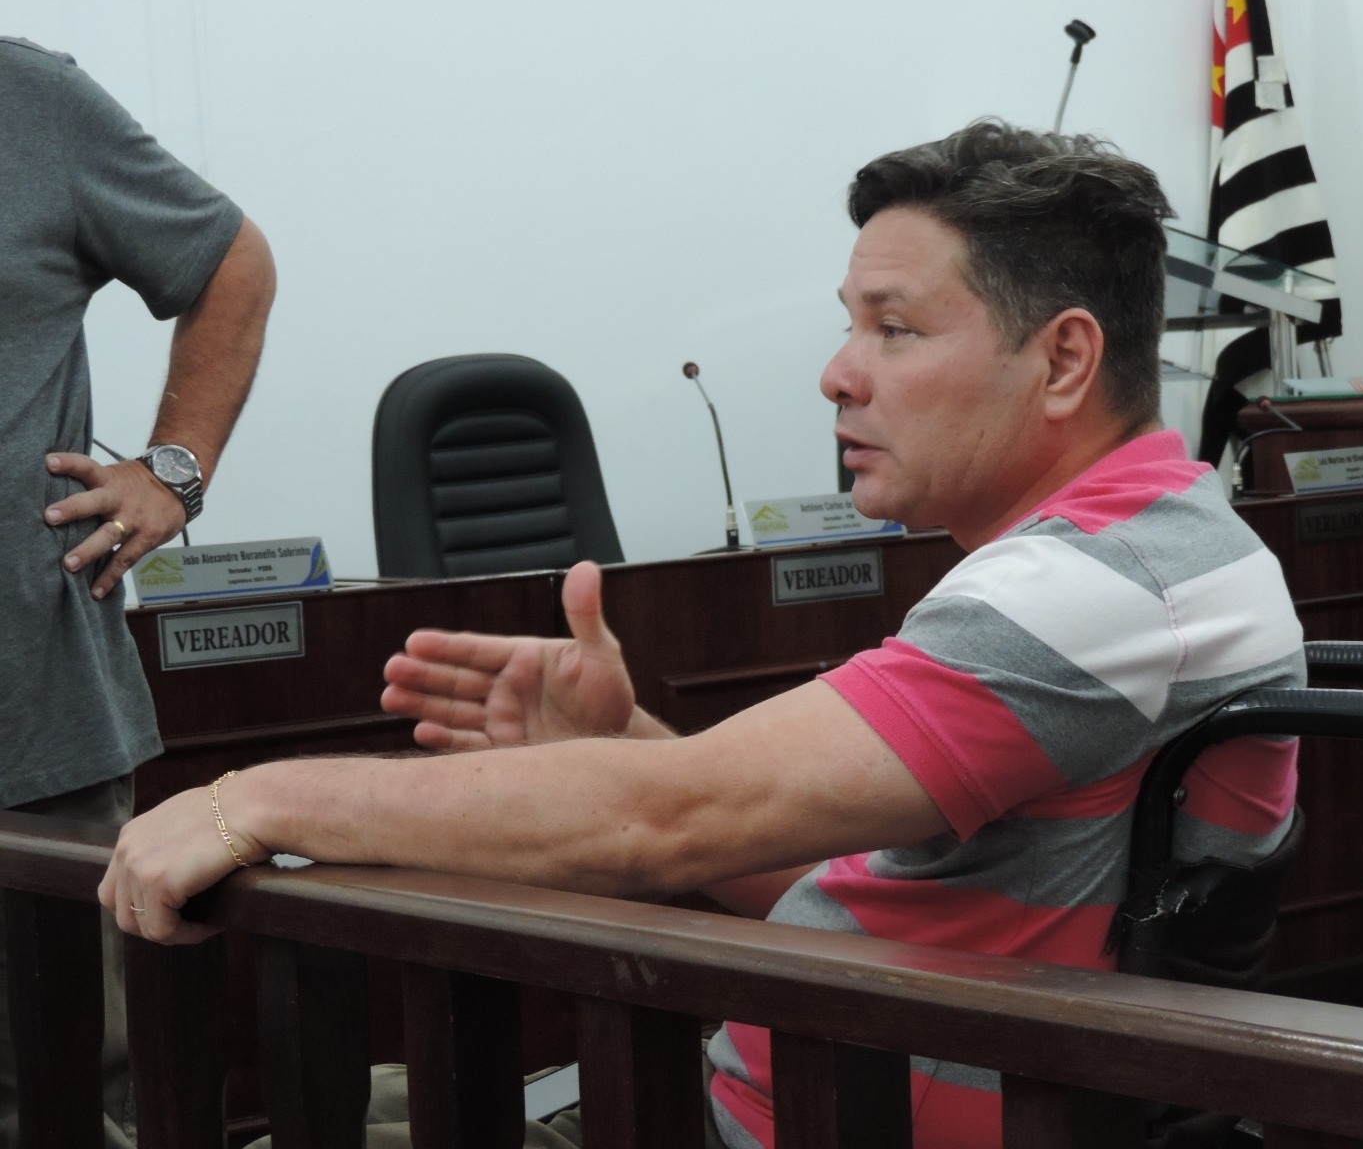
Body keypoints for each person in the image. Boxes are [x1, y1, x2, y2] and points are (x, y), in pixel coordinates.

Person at [101, 121, 1302, 1149]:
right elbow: (860, 892)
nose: (837, 374)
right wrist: (620, 743)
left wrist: (252, 801)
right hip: (765, 1092)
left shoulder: (1097, 588)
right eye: (850, 326)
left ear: (1065, 359)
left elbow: (665, 819)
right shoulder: (1146, 550)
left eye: (894, 330)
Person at [1, 35, 276, 1147]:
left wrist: (172, 472)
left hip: (28, 727)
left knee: (50, 1099)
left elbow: (230, 263)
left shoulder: (31, 100)